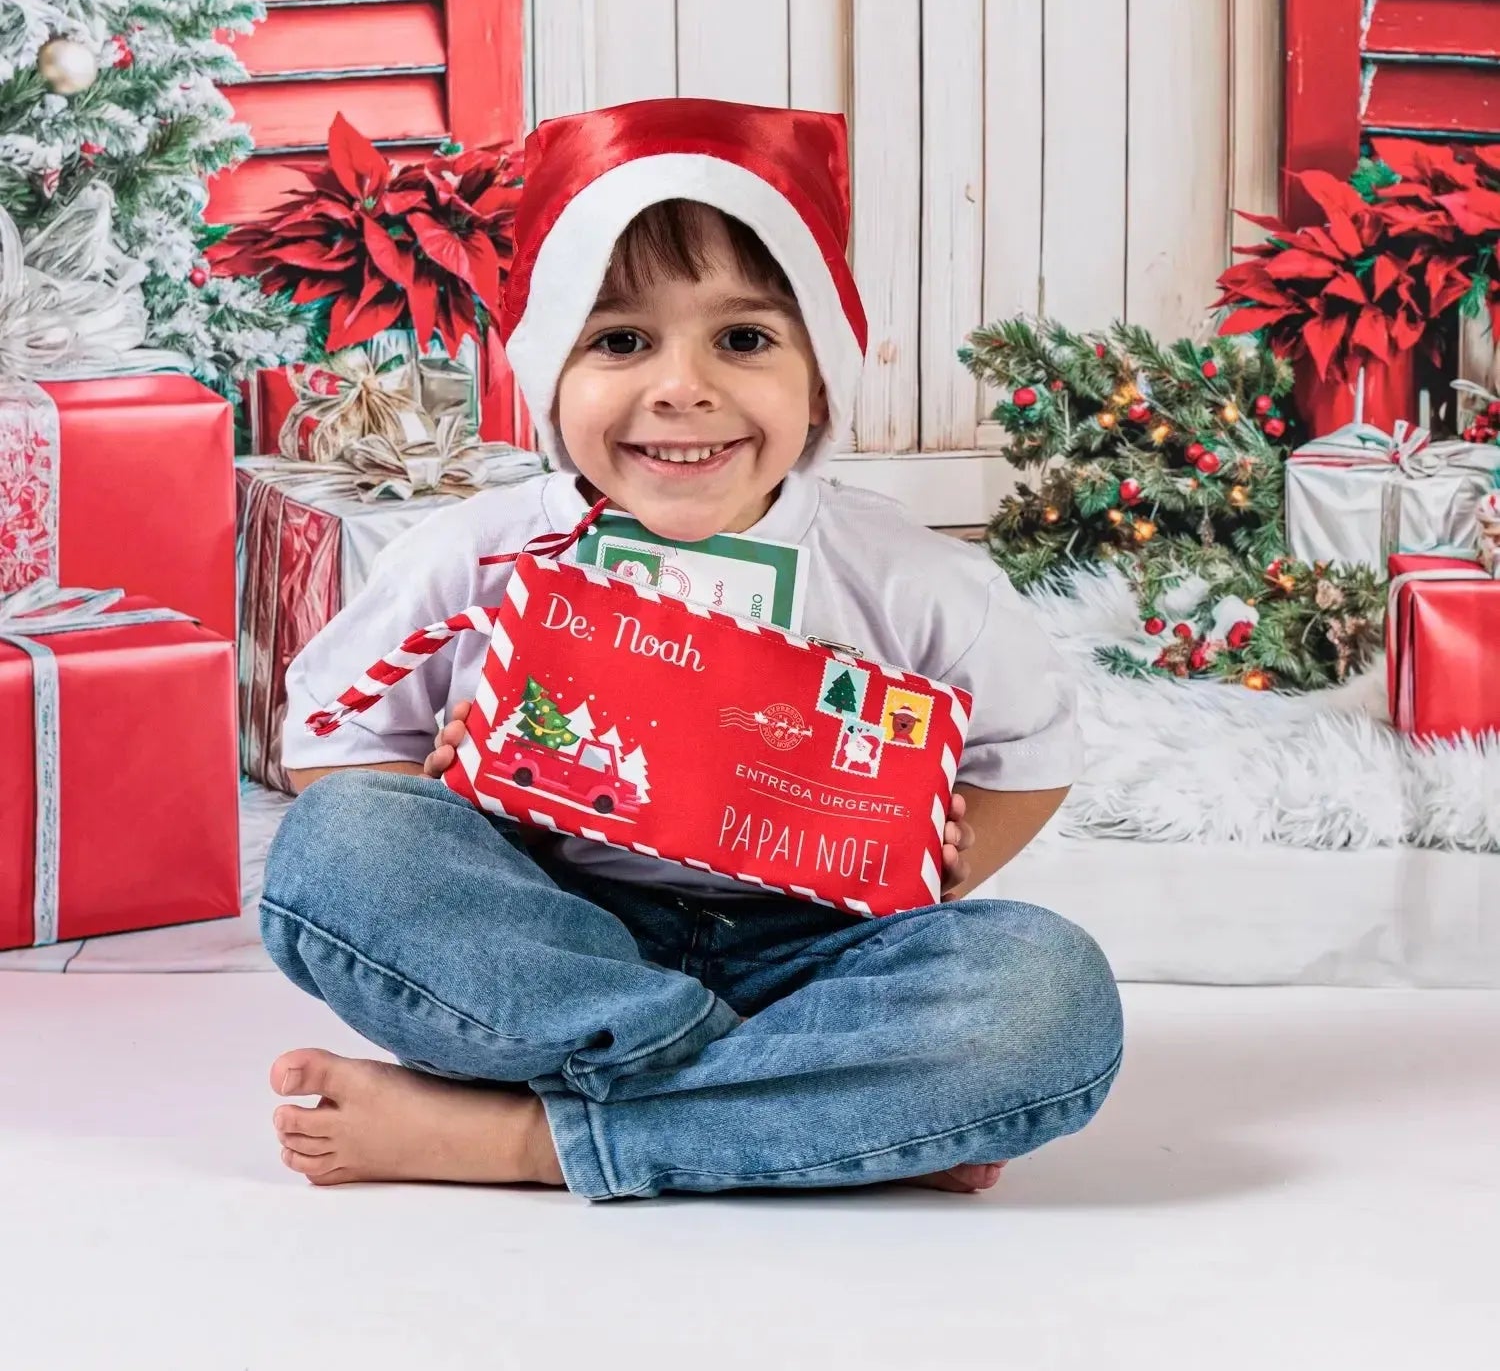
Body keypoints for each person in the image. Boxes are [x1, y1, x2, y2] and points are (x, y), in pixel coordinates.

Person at [261, 97, 1123, 1200]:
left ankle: (527, 1140)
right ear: (549, 380)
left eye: (745, 339)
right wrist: (448, 801)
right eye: (620, 341)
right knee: (338, 846)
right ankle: (819, 1109)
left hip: (814, 961)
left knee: (1046, 998)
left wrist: (949, 856)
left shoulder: (912, 579)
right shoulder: (475, 554)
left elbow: (1031, 752)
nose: (681, 386)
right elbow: (331, 741)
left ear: (820, 382)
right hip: (554, 947)